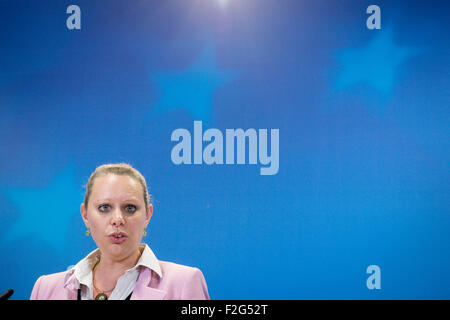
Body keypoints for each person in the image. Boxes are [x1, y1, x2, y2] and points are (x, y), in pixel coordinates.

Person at [30, 163, 209, 300]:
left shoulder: (183, 283)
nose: (117, 219)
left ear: (147, 215)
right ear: (85, 215)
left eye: (130, 208)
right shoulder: (45, 288)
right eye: (105, 207)